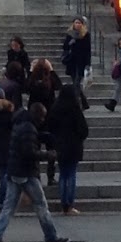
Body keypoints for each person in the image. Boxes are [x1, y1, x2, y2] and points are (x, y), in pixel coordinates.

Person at [0, 101, 68, 242]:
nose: (43, 120)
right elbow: (29, 152)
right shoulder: (29, 128)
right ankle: (51, 237)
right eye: (42, 117)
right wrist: (49, 154)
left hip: (14, 171)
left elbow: (28, 142)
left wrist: (42, 136)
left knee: (8, 207)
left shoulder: (21, 123)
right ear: (36, 115)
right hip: (26, 172)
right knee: (41, 205)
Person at [46, 81, 89, 214]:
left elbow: (50, 127)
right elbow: (84, 130)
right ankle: (69, 204)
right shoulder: (75, 110)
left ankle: (64, 203)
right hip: (74, 145)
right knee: (71, 174)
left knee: (63, 174)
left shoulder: (55, 108)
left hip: (60, 145)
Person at [60, 17, 92, 98]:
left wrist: (88, 63)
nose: (77, 24)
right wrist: (70, 43)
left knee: (77, 82)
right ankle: (83, 103)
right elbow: (65, 47)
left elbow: (88, 49)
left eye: (79, 23)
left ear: (82, 24)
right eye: (76, 23)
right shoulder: (70, 34)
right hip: (72, 60)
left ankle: (77, 103)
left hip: (81, 61)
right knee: (75, 82)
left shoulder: (85, 35)